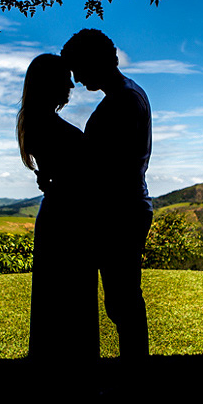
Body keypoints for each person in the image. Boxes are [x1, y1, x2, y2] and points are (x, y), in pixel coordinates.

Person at [60, 29, 153, 363]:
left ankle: (135, 376)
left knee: (123, 301)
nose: (77, 77)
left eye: (79, 68)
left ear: (97, 62)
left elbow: (106, 166)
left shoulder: (123, 101)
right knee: (123, 301)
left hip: (121, 212)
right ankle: (134, 372)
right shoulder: (125, 96)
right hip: (124, 208)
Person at [17, 53, 99, 377]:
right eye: (64, 78)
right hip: (68, 220)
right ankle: (75, 375)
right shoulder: (50, 126)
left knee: (57, 303)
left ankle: (56, 373)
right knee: (73, 301)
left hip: (58, 215)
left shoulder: (36, 122)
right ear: (50, 83)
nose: (70, 84)